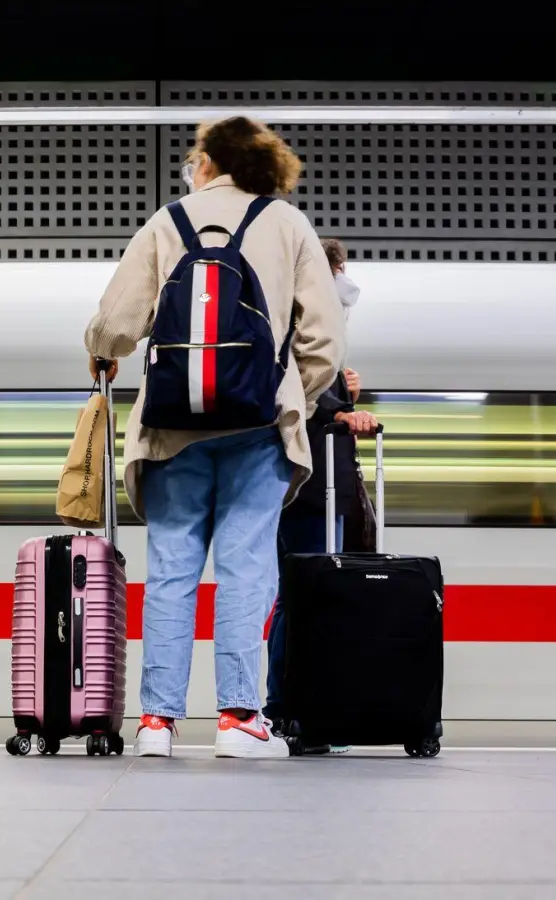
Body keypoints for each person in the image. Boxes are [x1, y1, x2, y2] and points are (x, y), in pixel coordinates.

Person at [85, 116, 344, 758]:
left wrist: (103, 352)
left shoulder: (166, 221)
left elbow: (115, 324)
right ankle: (238, 721)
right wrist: (290, 398)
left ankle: (157, 725)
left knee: (172, 569)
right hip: (260, 428)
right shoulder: (288, 224)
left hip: (172, 427)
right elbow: (324, 343)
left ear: (207, 161)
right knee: (245, 567)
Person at [262, 238, 378, 753]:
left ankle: (296, 708)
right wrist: (339, 413)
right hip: (309, 489)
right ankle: (292, 711)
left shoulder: (310, 335)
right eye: (339, 272)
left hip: (316, 487)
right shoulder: (297, 328)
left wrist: (345, 397)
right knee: (304, 597)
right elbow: (292, 402)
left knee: (302, 597)